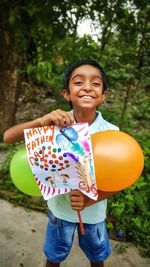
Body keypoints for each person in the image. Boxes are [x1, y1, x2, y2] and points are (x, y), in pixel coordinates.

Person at [3, 59, 119, 267]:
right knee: (54, 256)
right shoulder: (54, 125)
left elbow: (119, 180)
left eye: (95, 83)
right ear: (66, 93)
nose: (87, 87)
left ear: (103, 96)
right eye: (78, 82)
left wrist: (90, 200)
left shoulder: (112, 133)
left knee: (97, 258)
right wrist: (41, 122)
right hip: (60, 213)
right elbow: (8, 137)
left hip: (94, 216)